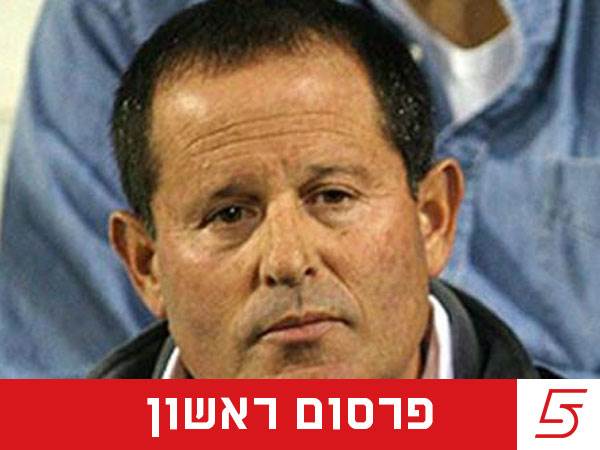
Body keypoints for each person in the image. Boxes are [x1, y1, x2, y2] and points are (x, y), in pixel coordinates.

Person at [1, 0, 597, 378]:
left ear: (434, 218)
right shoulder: (118, 17)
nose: (288, 261)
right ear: (144, 262)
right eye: (230, 214)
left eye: (333, 197)